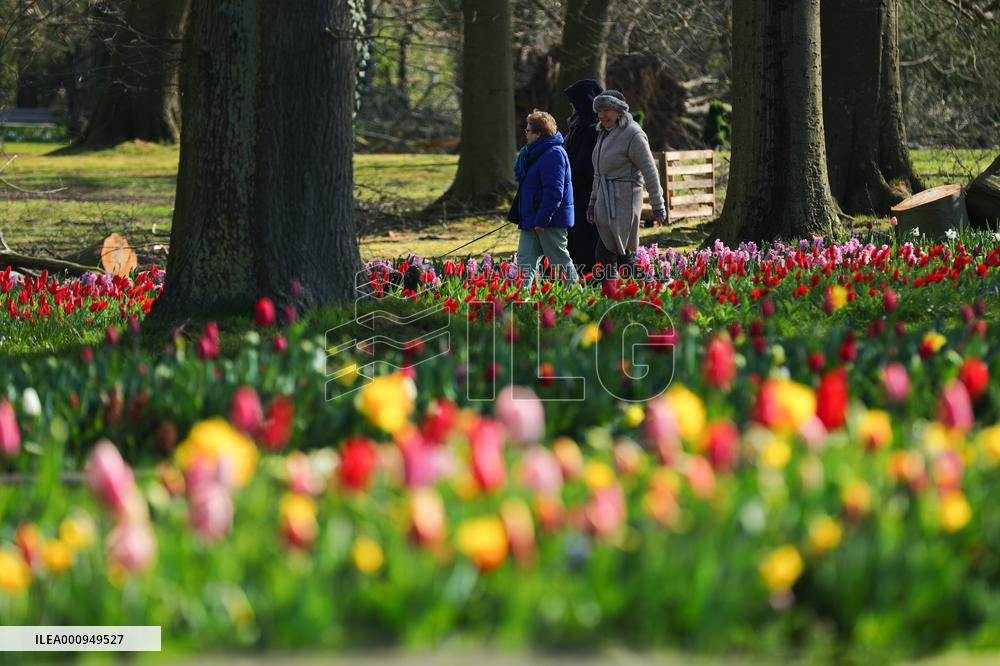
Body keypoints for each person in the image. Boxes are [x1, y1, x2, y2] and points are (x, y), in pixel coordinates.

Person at [587, 90, 666, 279]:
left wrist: (658, 205)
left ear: (619, 110)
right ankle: (647, 289)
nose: (602, 115)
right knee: (621, 257)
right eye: (599, 111)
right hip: (605, 202)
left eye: (607, 110)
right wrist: (592, 203)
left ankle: (615, 294)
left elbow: (650, 171)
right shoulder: (604, 133)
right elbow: (599, 174)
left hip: (624, 201)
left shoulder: (633, 134)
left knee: (611, 253)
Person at [515, 110, 579, 285]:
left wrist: (542, 220)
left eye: (528, 130)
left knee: (560, 261)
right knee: (524, 263)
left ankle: (579, 297)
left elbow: (554, 192)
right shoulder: (535, 153)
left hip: (549, 221)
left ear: (538, 133)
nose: (526, 134)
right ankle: (520, 302)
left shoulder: (553, 154)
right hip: (531, 219)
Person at [563, 79, 604, 277]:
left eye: (574, 102)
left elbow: (585, 166)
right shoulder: (576, 125)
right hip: (573, 194)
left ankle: (591, 279)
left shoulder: (592, 130)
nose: (571, 106)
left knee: (587, 241)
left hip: (586, 195)